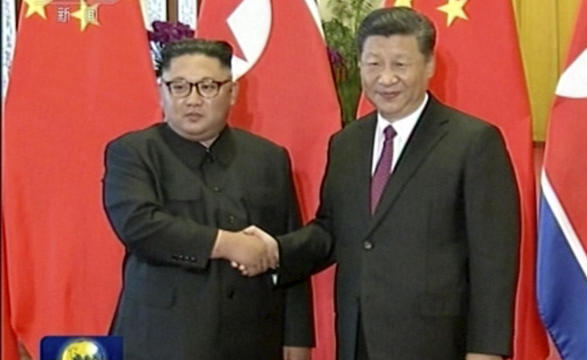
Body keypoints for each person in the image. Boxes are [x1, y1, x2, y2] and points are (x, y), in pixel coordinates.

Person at [242, 7, 519, 360]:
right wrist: (274, 250)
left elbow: (493, 260)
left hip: (437, 343)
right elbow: (331, 232)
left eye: (400, 65)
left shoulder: (473, 142)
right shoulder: (346, 143)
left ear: (429, 65)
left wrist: (487, 352)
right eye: (373, 64)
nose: (386, 78)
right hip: (359, 338)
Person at [102, 39, 312, 360]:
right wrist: (227, 244)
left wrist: (297, 340)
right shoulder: (133, 152)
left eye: (207, 87)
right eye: (180, 87)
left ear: (233, 92)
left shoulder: (269, 157)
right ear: (162, 92)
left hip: (253, 340)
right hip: (160, 341)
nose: (192, 100)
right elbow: (139, 226)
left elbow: (289, 251)